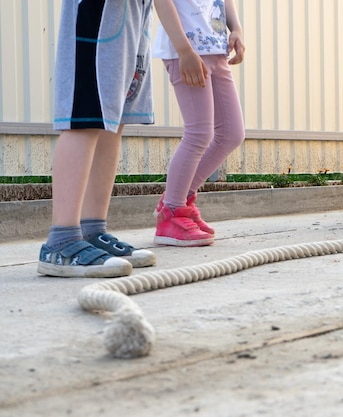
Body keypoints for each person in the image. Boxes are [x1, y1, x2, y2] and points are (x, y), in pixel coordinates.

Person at [38, 0, 156, 278]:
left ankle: (92, 230)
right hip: (100, 8)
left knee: (112, 121)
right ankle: (62, 240)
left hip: (135, 10)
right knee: (85, 113)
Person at [152, 0, 246, 246]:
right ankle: (171, 214)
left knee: (231, 134)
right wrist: (184, 51)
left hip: (216, 48)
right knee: (199, 134)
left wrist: (236, 28)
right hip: (187, 51)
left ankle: (178, 198)